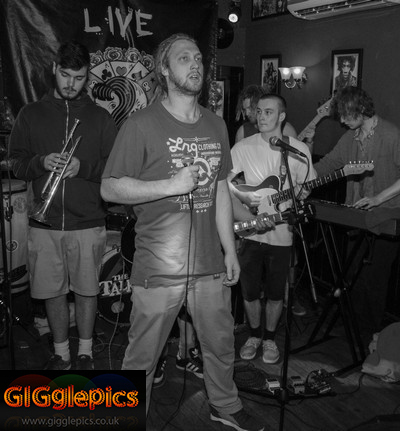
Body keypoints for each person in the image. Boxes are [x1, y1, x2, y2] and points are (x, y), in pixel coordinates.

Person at [101, 33, 265, 431]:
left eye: (198, 58)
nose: (195, 64)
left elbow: (222, 190)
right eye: (184, 58)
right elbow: (110, 188)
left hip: (209, 264)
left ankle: (224, 405)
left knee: (220, 345)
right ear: (164, 69)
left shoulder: (216, 125)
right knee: (143, 357)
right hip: (159, 268)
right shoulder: (140, 125)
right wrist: (169, 185)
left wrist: (230, 249)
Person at [9, 40, 117, 370]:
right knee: (53, 291)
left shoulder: (100, 118)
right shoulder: (30, 114)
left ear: (88, 76)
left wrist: (83, 168)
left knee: (86, 290)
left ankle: (85, 352)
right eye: (65, 75)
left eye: (79, 77)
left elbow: (116, 170)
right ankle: (61, 354)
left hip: (88, 220)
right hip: (44, 222)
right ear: (54, 68)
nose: (71, 84)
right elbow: (15, 163)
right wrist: (40, 162)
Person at [313, 86, 400, 334]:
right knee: (353, 274)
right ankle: (352, 330)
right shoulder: (350, 138)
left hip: (390, 214)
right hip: (358, 215)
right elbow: (329, 163)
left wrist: (379, 198)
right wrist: (302, 176)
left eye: (345, 114)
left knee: (374, 279)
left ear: (361, 108)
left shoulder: (393, 135)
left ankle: (369, 334)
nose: (342, 121)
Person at [229, 93, 315, 364]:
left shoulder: (297, 150)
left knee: (277, 293)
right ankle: (254, 335)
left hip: (282, 233)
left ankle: (269, 339)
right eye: (259, 111)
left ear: (281, 116)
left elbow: (304, 188)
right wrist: (248, 210)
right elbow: (228, 187)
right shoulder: (242, 147)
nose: (261, 116)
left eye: (268, 112)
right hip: (251, 231)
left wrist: (301, 194)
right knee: (250, 291)